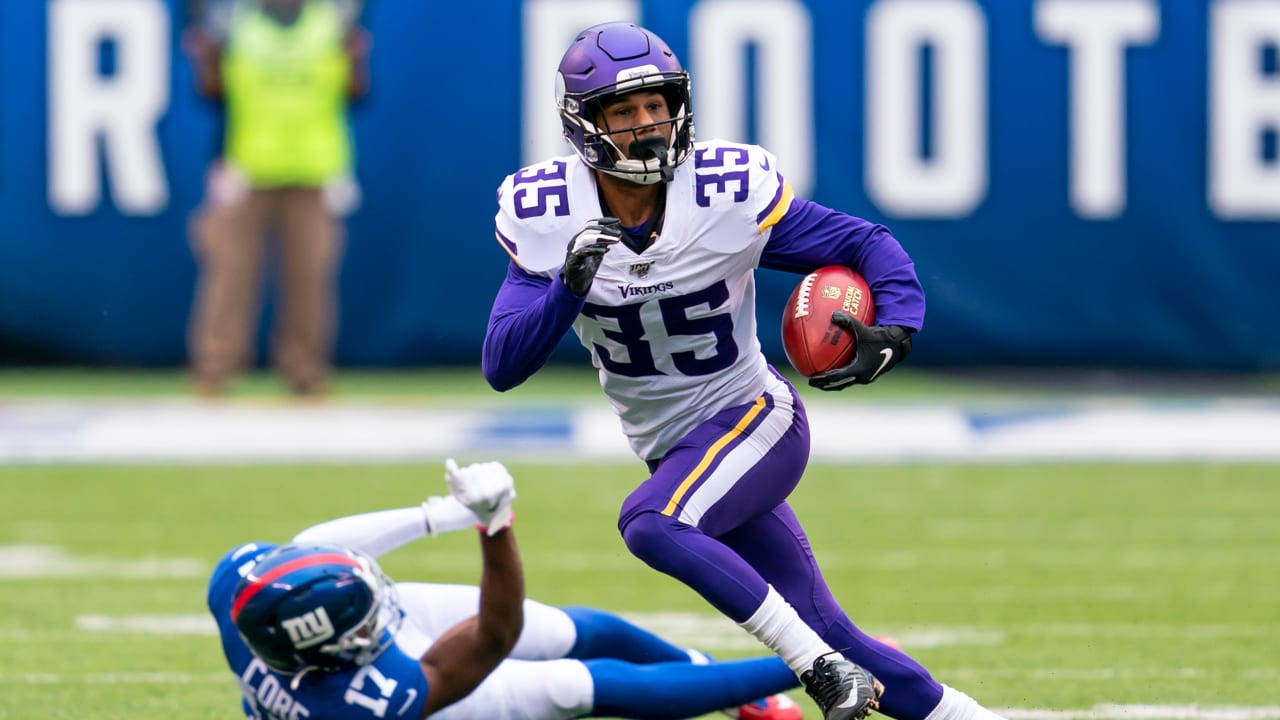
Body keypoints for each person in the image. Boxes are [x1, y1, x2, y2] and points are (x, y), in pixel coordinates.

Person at [482, 21, 1011, 720]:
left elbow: (864, 242)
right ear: (585, 125)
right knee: (829, 626)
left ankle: (818, 672)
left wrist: (899, 325)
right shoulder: (549, 214)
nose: (648, 124)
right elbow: (503, 362)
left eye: (658, 104)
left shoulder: (723, 191)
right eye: (625, 110)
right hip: (676, 448)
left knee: (651, 523)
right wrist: (567, 288)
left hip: (754, 418)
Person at [208, 458, 810, 720]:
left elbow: (313, 543)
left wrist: (437, 515)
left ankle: (728, 690)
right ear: (335, 651)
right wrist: (493, 526)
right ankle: (797, 671)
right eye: (366, 623)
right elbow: (498, 635)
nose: (380, 614)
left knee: (572, 630)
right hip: (423, 694)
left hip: (338, 664)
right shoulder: (370, 699)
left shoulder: (240, 584)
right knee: (573, 685)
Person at [184, 0, 370, 397]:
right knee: (228, 276)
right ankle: (214, 369)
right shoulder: (236, 24)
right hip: (247, 167)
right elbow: (211, 90)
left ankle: (305, 371)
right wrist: (207, 55)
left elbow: (357, 90)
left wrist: (354, 57)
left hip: (313, 170)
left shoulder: (330, 24)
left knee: (310, 280)